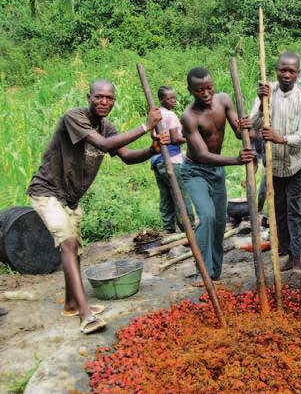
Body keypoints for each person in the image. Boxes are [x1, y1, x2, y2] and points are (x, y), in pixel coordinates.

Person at [28, 79, 164, 334]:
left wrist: (151, 149)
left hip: (70, 198)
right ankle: (85, 314)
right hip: (47, 191)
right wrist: (146, 125)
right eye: (98, 97)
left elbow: (125, 156)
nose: (103, 102)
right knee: (67, 244)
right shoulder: (74, 117)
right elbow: (101, 145)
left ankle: (71, 303)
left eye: (109, 98)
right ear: (88, 97)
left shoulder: (107, 126)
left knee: (75, 250)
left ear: (114, 100)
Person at [181, 67, 254, 285]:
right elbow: (202, 155)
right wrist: (236, 160)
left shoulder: (223, 100)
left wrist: (245, 128)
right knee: (207, 216)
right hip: (195, 171)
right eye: (199, 90)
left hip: (217, 171)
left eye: (209, 87)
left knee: (220, 222)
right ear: (190, 90)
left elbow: (238, 131)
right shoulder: (189, 116)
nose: (205, 93)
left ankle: (214, 272)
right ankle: (202, 271)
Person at [250, 52, 301, 271]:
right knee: (277, 210)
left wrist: (281, 138)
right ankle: (284, 248)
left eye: (291, 71)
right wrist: (261, 105)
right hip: (273, 165)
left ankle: (297, 256)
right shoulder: (266, 93)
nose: (286, 74)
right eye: (282, 70)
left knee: (295, 210)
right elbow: (252, 125)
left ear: (298, 74)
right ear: (276, 70)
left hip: (295, 163)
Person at [151, 86, 195, 233]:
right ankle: (188, 227)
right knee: (181, 194)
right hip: (172, 160)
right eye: (170, 98)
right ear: (162, 99)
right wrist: (191, 137)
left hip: (157, 160)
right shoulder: (170, 115)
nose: (174, 101)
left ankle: (168, 228)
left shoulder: (155, 115)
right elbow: (175, 139)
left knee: (165, 196)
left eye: (174, 97)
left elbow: (153, 136)